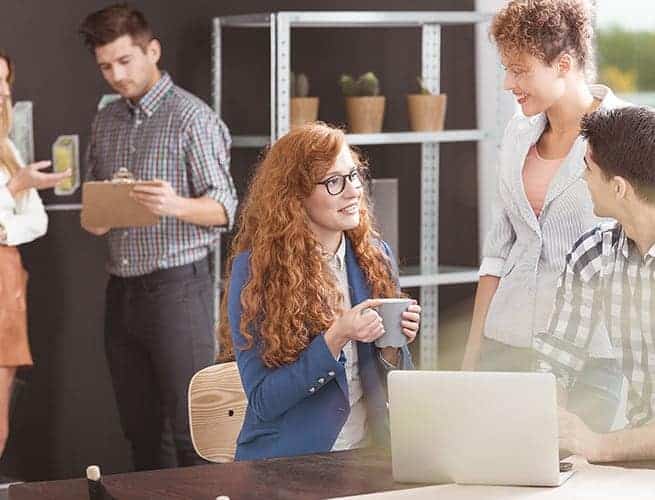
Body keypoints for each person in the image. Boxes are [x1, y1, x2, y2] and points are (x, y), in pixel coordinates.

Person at [78, 4, 237, 470]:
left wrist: (174, 204)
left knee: (192, 432)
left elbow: (225, 208)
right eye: (105, 66)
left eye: (124, 61)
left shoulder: (192, 118)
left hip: (177, 290)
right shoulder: (106, 121)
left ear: (153, 51)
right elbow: (92, 210)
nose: (116, 75)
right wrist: (99, 216)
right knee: (140, 432)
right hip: (121, 291)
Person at [462, 0, 624, 432]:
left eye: (520, 70)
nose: (508, 83)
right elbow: (498, 251)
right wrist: (473, 354)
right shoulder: (517, 133)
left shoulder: (627, 134)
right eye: (506, 69)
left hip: (591, 355)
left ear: (563, 64)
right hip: (507, 341)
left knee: (572, 468)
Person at [219, 123, 420, 461]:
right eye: (333, 182)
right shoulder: (256, 272)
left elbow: (395, 387)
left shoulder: (376, 256)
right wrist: (335, 338)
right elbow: (264, 401)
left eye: (353, 176)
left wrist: (391, 347)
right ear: (295, 196)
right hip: (290, 462)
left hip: (369, 456)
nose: (353, 192)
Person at [535, 106, 655, 461]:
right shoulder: (594, 254)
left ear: (618, 188)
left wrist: (600, 445)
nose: (582, 178)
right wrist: (551, 426)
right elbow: (556, 360)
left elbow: (600, 446)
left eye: (588, 168)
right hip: (637, 462)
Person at [0, 49, 70, 458]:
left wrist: (3, 229)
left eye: (5, 80)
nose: (3, 91)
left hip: (6, 289)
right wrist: (13, 189)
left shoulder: (7, 148)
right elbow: (17, 202)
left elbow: (37, 220)